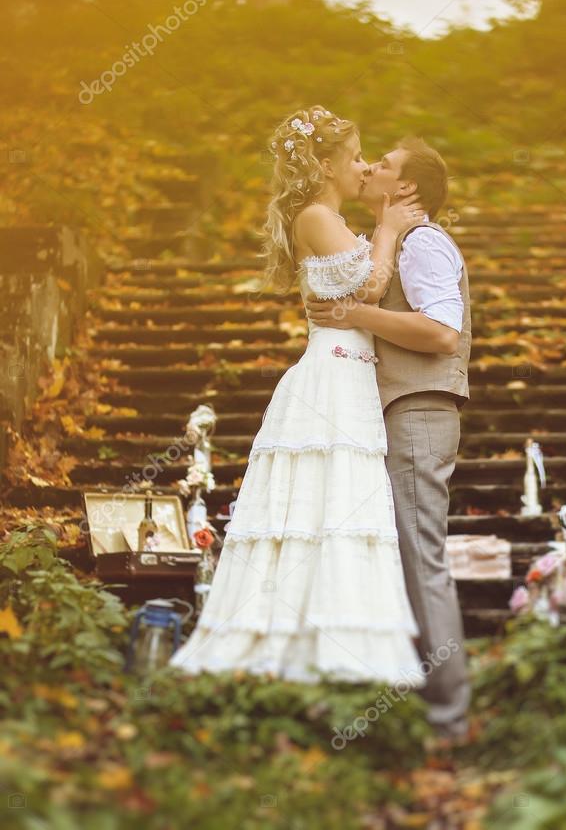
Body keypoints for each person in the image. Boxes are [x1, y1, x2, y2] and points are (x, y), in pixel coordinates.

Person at [169, 107, 428, 688]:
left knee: (339, 508)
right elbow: (369, 287)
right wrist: (387, 231)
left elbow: (358, 298)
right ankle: (294, 648)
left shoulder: (329, 219)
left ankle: (330, 643)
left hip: (350, 373)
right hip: (330, 379)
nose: (364, 166)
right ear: (326, 163)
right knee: (322, 505)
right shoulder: (316, 216)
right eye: (357, 156)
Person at [306, 135, 472, 741]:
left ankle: (449, 718)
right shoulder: (395, 242)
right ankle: (419, 706)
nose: (370, 168)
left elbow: (440, 333)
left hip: (419, 412)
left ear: (407, 188)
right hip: (396, 413)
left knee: (421, 558)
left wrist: (355, 316)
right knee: (402, 557)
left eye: (385, 166)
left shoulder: (424, 243)